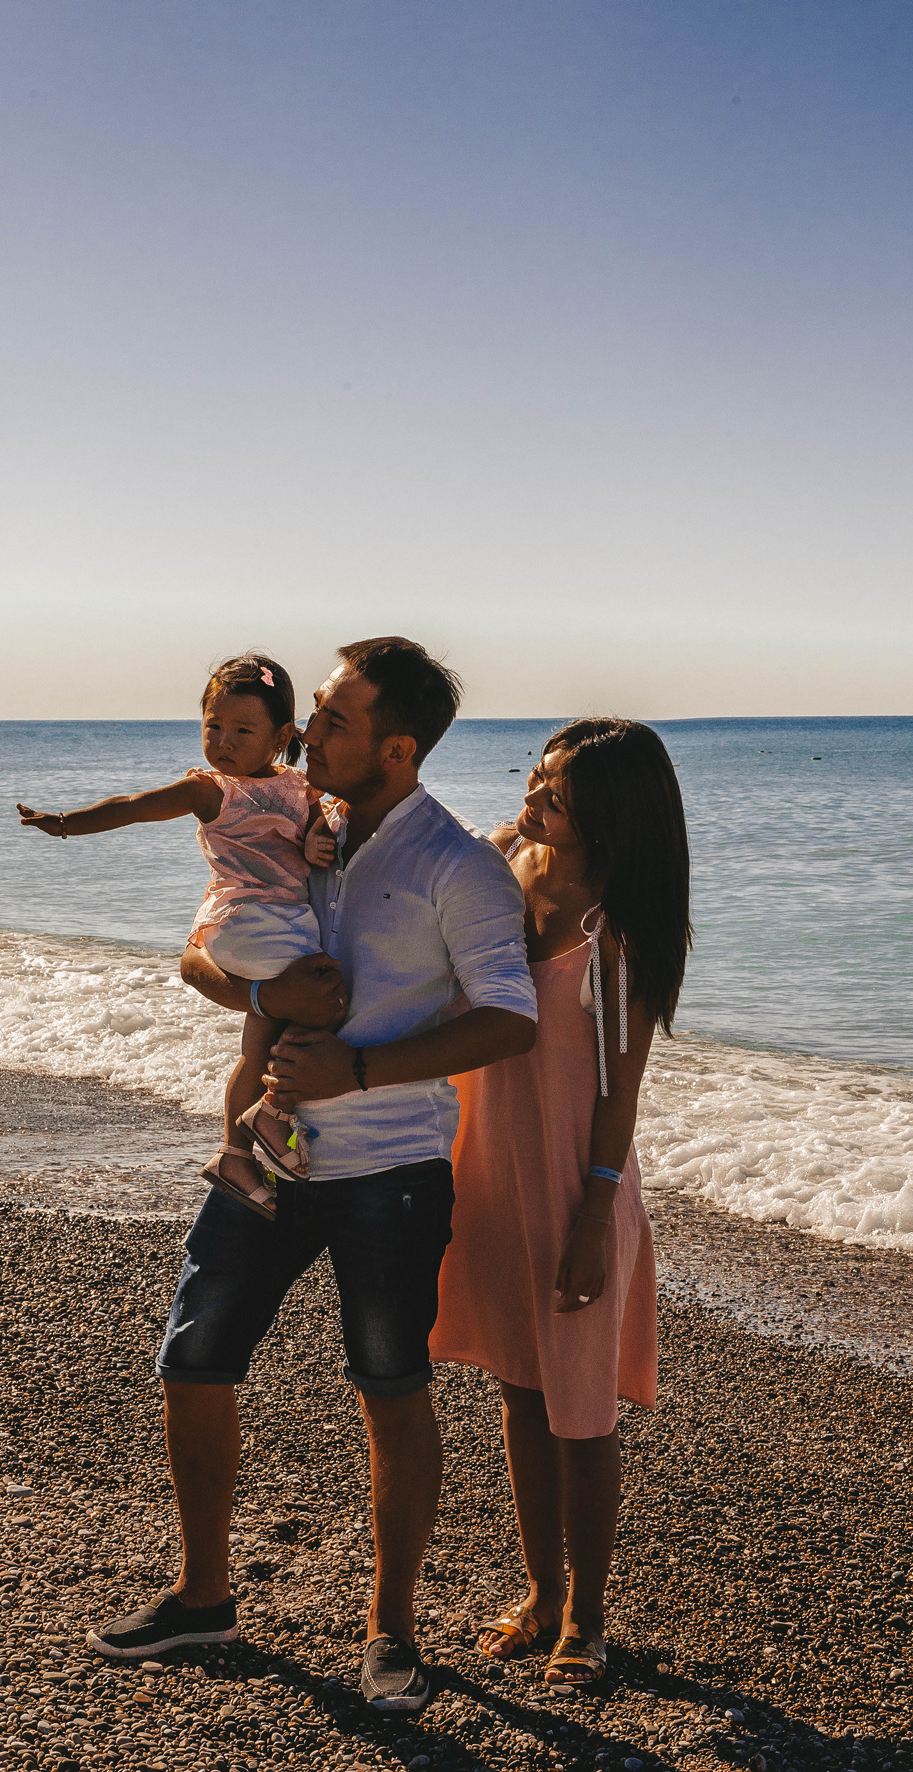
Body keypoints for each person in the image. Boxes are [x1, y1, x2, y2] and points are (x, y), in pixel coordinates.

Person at [83, 637, 538, 1711]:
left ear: (397, 746)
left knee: (389, 1386)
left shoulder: (457, 865)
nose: (309, 733)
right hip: (267, 1152)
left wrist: (359, 1067)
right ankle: (202, 1596)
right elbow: (199, 953)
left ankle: (392, 1632)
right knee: (192, 1360)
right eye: (314, 713)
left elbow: (509, 1018)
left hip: (391, 1166)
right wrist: (256, 999)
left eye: (334, 718)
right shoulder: (292, 825)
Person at [430, 718, 691, 1687]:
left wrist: (592, 1219)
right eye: (536, 774)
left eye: (558, 789)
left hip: (573, 1186)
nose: (533, 793)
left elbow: (618, 1097)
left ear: (611, 813)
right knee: (518, 1389)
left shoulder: (612, 931)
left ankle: (586, 1614)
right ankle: (539, 1593)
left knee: (579, 1413)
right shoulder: (505, 860)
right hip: (486, 1169)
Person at [16, 652, 335, 1219]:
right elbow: (133, 808)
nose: (224, 742)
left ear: (282, 736)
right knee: (322, 996)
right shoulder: (209, 790)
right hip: (246, 918)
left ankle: (234, 1155)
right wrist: (66, 824)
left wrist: (315, 841)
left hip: (280, 922)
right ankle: (273, 1112)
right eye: (213, 726)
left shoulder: (299, 787)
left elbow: (315, 836)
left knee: (261, 1041)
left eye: (242, 730)